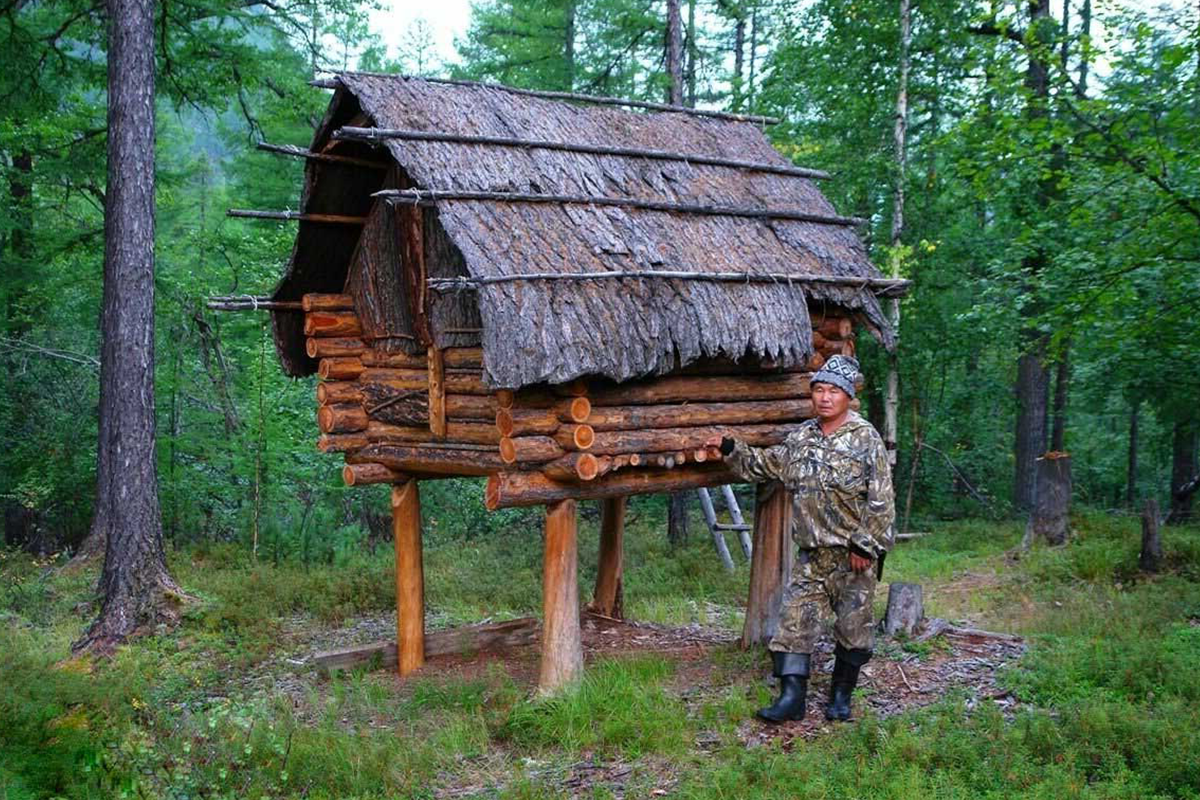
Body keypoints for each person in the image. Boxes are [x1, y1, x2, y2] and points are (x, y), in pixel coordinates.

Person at [706, 354, 894, 723]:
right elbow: (766, 465)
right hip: (812, 555)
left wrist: (865, 545)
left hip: (852, 556)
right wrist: (732, 449)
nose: (825, 398)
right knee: (794, 624)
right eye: (819, 390)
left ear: (848, 397)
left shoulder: (865, 438)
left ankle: (841, 697)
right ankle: (792, 699)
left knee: (853, 628)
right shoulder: (803, 437)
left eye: (833, 391)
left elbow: (882, 498)